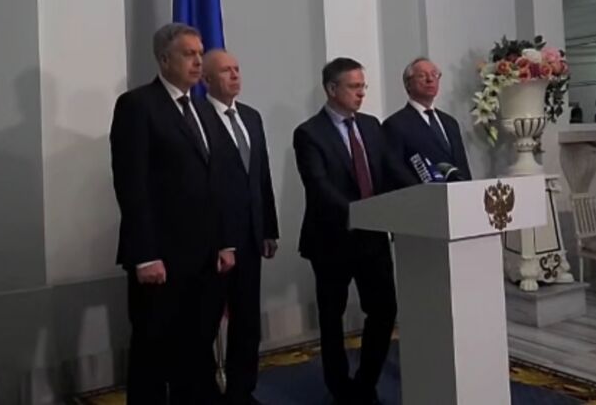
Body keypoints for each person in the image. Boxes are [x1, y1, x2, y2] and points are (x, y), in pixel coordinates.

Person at [110, 23, 237, 405]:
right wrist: (145, 255)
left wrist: (224, 242)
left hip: (204, 259)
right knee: (151, 355)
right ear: (164, 59)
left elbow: (216, 182)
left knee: (195, 352)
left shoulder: (203, 109)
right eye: (188, 54)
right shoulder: (137, 105)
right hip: (161, 260)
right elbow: (132, 185)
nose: (198, 61)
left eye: (200, 53)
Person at [293, 57, 417, 405]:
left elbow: (390, 170)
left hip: (373, 239)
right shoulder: (309, 133)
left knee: (384, 309)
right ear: (332, 89)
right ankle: (339, 388)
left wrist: (424, 192)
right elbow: (318, 185)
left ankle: (365, 383)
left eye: (363, 86)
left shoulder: (371, 126)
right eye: (354, 87)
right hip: (331, 240)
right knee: (331, 318)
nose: (362, 93)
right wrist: (359, 213)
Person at [202, 49, 279, 405]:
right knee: (205, 321)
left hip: (251, 237)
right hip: (213, 239)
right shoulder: (197, 117)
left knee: (247, 321)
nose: (235, 75)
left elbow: (260, 176)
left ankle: (241, 391)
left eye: (237, 69)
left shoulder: (251, 116)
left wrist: (269, 228)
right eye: (225, 71)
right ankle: (205, 393)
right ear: (206, 79)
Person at [382, 57, 472, 181]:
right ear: (408, 84)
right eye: (422, 76)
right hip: (421, 191)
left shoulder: (450, 122)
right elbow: (395, 170)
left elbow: (462, 165)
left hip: (456, 190)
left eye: (434, 74)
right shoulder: (395, 124)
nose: (430, 79)